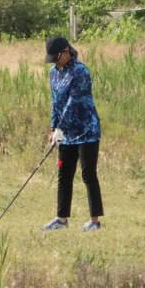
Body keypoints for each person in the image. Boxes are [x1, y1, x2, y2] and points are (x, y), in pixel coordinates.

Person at [42, 35, 103, 231]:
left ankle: (95, 221)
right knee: (64, 174)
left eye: (57, 57)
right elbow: (55, 102)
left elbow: (74, 102)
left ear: (66, 52)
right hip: (66, 132)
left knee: (88, 174)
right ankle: (61, 219)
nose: (55, 61)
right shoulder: (53, 73)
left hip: (87, 130)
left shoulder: (80, 71)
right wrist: (53, 128)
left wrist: (61, 127)